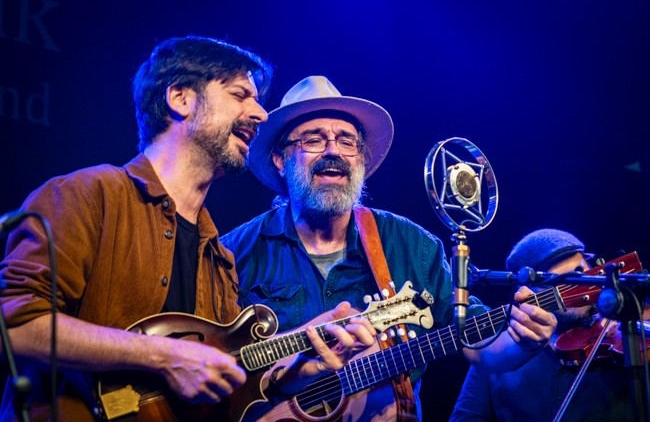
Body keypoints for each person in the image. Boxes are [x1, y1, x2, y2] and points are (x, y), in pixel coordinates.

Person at [0, 38, 375, 422]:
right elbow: (14, 327)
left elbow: (223, 382)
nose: (261, 114)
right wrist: (165, 356)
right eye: (240, 95)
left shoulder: (219, 257)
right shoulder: (87, 196)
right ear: (180, 98)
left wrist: (298, 370)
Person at [220, 76, 558, 420]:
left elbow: (477, 344)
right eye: (313, 140)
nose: (333, 151)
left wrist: (523, 341)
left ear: (360, 160)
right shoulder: (232, 253)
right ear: (280, 159)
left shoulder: (413, 245)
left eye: (347, 141)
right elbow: (210, 366)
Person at [450, 228, 646, 421]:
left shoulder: (625, 341)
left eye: (580, 273)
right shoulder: (496, 352)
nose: (578, 287)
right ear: (526, 294)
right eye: (558, 282)